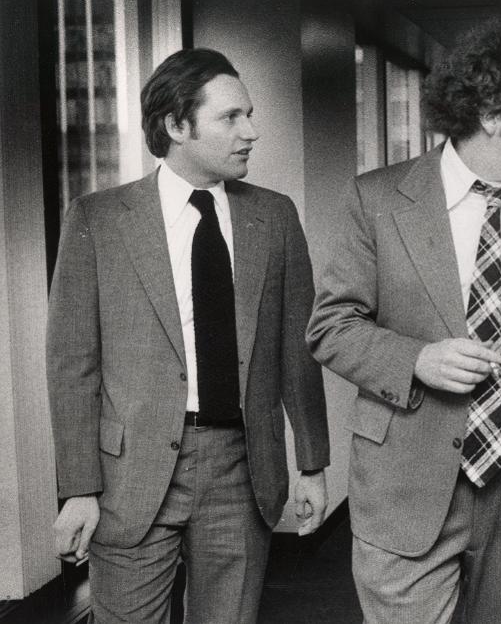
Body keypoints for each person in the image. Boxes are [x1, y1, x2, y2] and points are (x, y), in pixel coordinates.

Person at [307, 20, 501, 623]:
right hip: (406, 483)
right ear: (494, 114)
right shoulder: (379, 199)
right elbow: (331, 326)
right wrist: (415, 359)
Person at [47, 47, 330, 624]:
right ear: (177, 125)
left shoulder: (274, 217)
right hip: (131, 475)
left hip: (242, 467)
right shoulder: (98, 219)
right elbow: (72, 364)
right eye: (231, 118)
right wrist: (78, 487)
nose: (250, 132)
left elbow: (295, 352)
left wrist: (312, 462)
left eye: (248, 114)